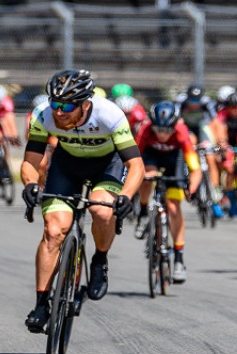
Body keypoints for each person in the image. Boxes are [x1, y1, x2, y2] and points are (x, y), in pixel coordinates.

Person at [20, 69, 144, 333]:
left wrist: (126, 196)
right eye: (55, 103)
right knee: (53, 232)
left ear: (85, 104)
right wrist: (30, 183)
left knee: (101, 210)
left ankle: (100, 259)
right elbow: (30, 161)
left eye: (66, 105)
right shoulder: (44, 116)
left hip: (106, 165)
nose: (59, 111)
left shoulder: (110, 115)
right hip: (67, 166)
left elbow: (135, 166)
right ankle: (41, 304)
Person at [133, 101, 201, 283]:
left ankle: (179, 258)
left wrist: (191, 189)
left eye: (167, 130)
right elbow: (133, 159)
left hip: (174, 160)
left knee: (173, 207)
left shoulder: (181, 133)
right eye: (158, 129)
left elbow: (195, 169)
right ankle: (143, 211)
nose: (162, 134)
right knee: (148, 175)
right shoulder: (146, 131)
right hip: (151, 156)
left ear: (174, 126)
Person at [176, 83, 224, 218]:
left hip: (202, 128)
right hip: (188, 130)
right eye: (192, 100)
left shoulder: (207, 104)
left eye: (197, 100)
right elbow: (178, 124)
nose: (194, 104)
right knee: (191, 146)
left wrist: (220, 141)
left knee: (210, 158)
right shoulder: (181, 103)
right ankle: (194, 181)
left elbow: (216, 123)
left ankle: (214, 191)